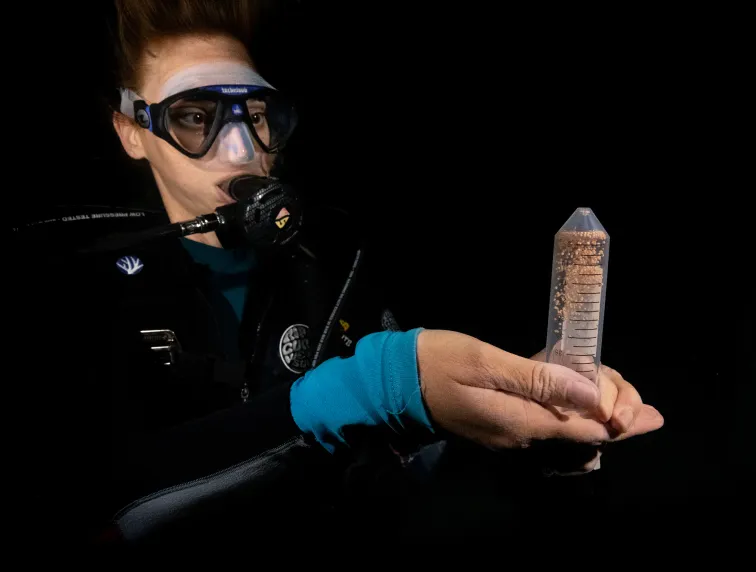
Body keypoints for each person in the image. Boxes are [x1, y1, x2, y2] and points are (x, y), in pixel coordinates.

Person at [18, 0, 663, 544]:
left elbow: (408, 478)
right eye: (195, 117)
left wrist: (517, 419)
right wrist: (372, 388)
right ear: (131, 130)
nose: (241, 151)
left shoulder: (336, 263)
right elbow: (93, 502)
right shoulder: (70, 283)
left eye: (256, 115)